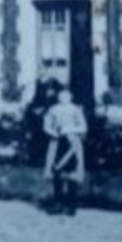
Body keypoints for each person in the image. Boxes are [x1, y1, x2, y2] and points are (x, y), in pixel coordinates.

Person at [42, 87, 89, 215]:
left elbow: (83, 127)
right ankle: (58, 203)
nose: (64, 98)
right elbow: (46, 125)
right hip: (57, 142)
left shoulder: (75, 109)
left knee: (72, 174)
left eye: (66, 95)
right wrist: (53, 132)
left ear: (70, 96)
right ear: (58, 97)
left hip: (72, 143)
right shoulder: (53, 109)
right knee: (57, 172)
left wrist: (70, 129)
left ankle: (71, 205)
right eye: (61, 95)